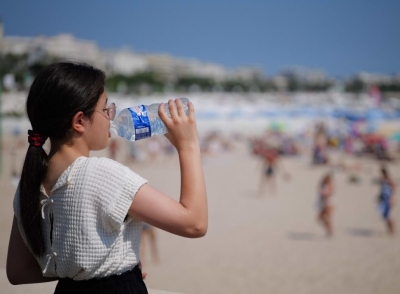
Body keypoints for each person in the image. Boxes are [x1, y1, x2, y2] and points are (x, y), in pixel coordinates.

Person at [6, 62, 208, 293]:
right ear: (79, 121)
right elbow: (194, 224)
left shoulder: (28, 184)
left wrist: (95, 268)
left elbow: (17, 271)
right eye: (105, 109)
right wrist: (188, 146)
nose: (112, 115)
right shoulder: (102, 174)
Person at [378, 167, 396, 235]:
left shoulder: (388, 179)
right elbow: (382, 190)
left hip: (388, 199)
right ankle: (389, 230)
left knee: (388, 216)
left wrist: (392, 198)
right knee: (385, 216)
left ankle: (392, 229)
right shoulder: (383, 179)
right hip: (384, 199)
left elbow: (394, 187)